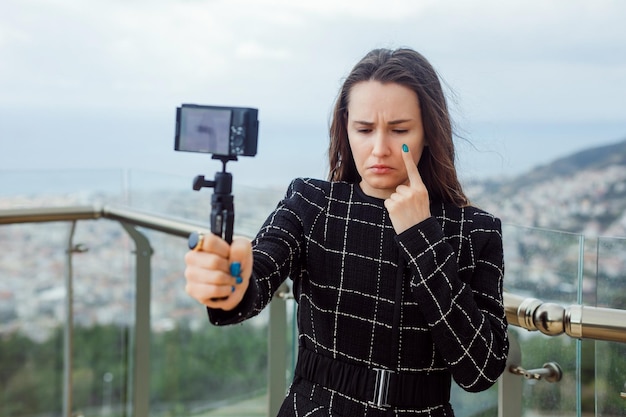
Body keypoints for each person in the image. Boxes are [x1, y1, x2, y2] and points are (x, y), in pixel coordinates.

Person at [184, 47, 509, 416]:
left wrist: (422, 236)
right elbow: (258, 275)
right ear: (346, 129)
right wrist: (230, 284)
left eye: (399, 130)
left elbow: (481, 370)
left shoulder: (474, 231)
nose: (380, 149)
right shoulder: (312, 202)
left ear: (428, 134)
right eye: (364, 129)